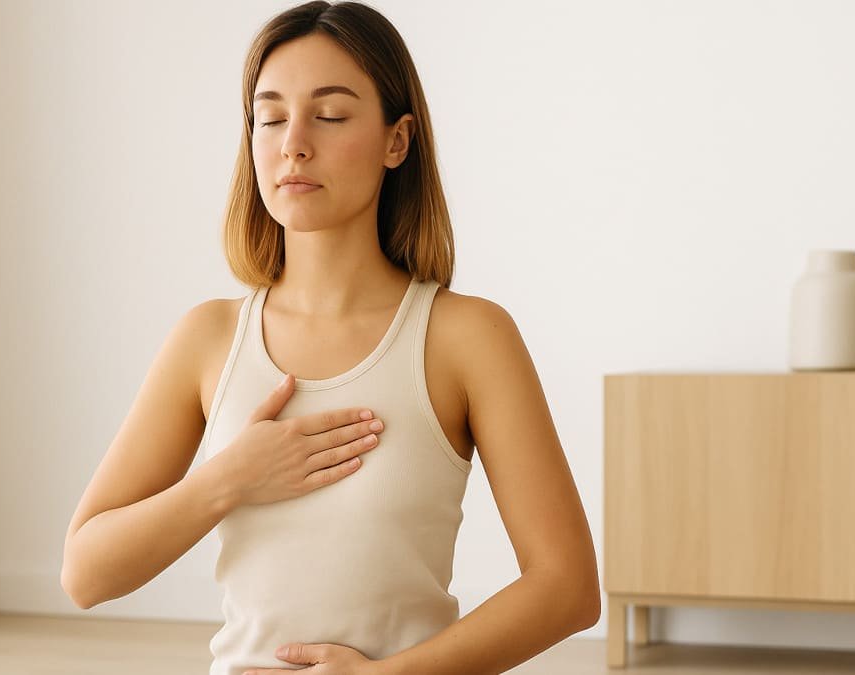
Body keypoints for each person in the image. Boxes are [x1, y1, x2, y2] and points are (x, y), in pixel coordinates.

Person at [61, 2, 600, 673]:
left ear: (396, 140)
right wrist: (227, 477)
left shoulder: (467, 337)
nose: (293, 143)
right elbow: (86, 574)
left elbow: (568, 588)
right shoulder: (207, 337)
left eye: (331, 114)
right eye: (271, 116)